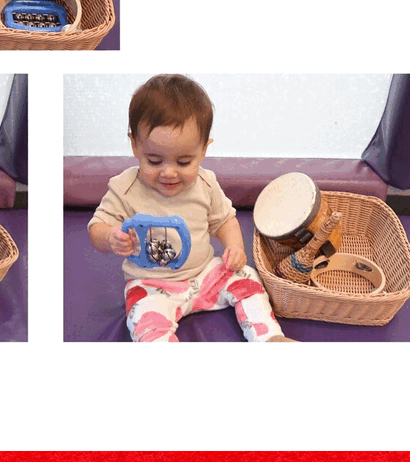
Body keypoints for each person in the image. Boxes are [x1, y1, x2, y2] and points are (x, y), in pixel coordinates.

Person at [88, 74, 296, 342]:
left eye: (184, 162)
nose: (169, 172)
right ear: (134, 145)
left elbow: (225, 221)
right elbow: (97, 228)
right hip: (152, 287)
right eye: (154, 160)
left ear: (204, 150)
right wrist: (110, 237)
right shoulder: (124, 188)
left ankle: (268, 337)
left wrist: (235, 249)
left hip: (205, 276)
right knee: (143, 318)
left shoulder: (206, 184)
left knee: (247, 276)